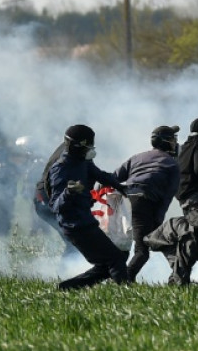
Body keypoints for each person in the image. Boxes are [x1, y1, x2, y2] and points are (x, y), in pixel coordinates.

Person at [47, 124, 130, 290]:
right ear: (76, 146)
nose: (91, 150)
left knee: (106, 265)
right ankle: (127, 294)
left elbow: (100, 175)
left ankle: (66, 288)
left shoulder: (83, 162)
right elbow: (55, 206)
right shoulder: (60, 169)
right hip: (76, 226)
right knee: (116, 260)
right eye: (87, 147)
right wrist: (69, 193)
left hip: (85, 221)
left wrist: (121, 186)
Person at [113, 125, 181, 281]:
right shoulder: (172, 164)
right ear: (166, 142)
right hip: (143, 203)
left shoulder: (137, 157)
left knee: (125, 245)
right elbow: (168, 196)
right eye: (172, 139)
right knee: (142, 251)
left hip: (125, 202)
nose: (175, 143)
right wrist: (158, 219)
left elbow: (113, 177)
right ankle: (123, 280)